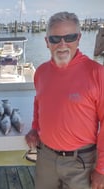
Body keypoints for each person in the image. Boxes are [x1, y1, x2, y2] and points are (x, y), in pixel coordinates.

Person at [25, 11, 104, 189]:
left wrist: (102, 169)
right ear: (47, 42)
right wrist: (35, 128)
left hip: (81, 162)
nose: (62, 44)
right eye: (55, 39)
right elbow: (39, 102)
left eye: (69, 37)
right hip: (45, 157)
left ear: (79, 38)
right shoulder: (41, 72)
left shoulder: (97, 73)